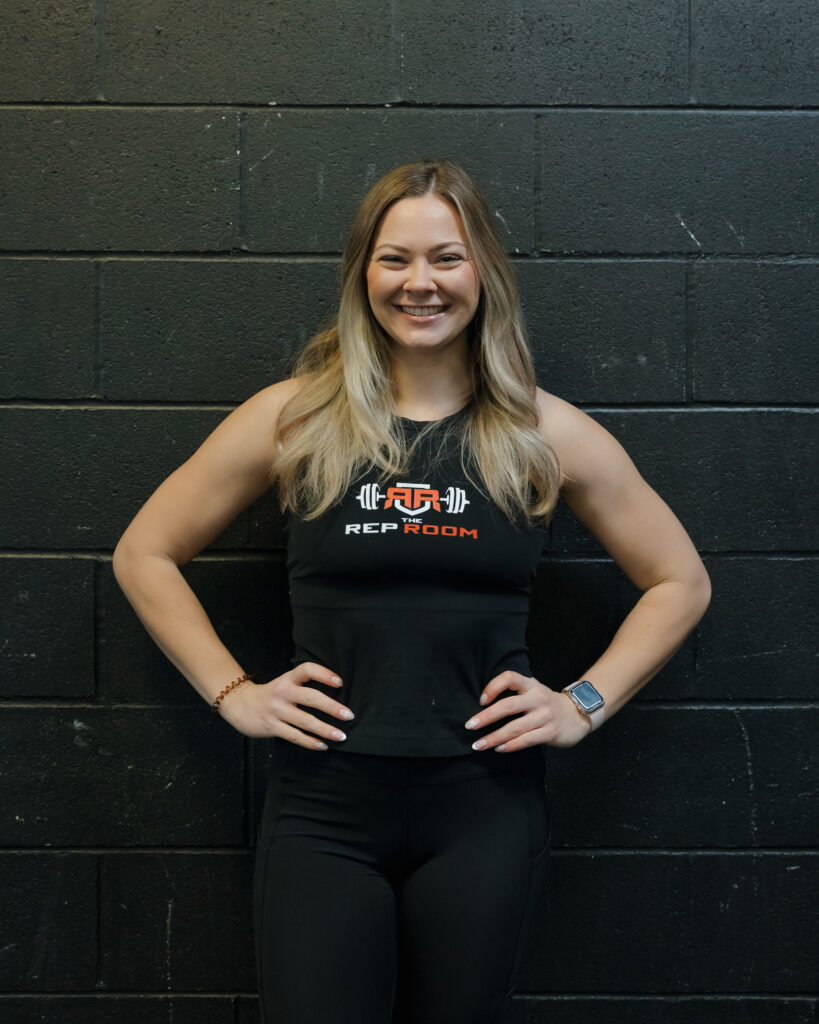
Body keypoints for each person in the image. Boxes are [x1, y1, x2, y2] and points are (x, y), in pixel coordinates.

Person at [112, 159, 711, 1023]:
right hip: (322, 811)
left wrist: (581, 704)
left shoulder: (541, 431)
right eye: (394, 259)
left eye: (445, 258)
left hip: (484, 812)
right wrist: (234, 692)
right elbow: (145, 553)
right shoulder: (295, 418)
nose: (419, 283)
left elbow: (678, 581)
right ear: (363, 274)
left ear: (483, 272)